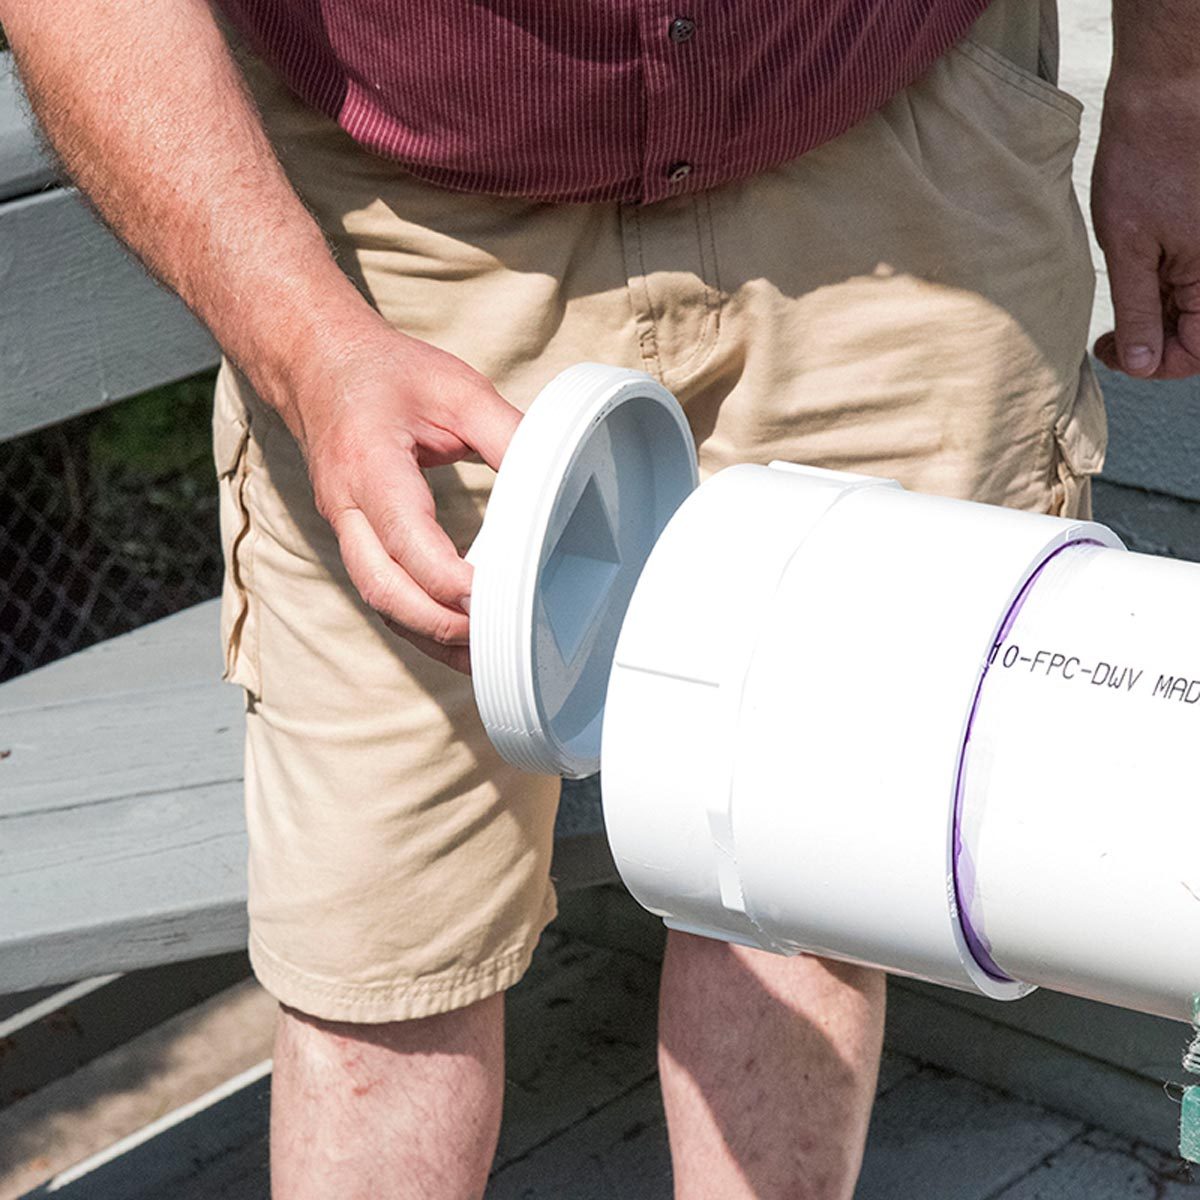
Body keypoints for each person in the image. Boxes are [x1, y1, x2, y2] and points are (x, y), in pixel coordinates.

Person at [3, 0, 1198, 1194]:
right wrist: (305, 343)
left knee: (806, 867)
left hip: (896, 166)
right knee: (385, 937)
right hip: (395, 243)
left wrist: (1172, 83)